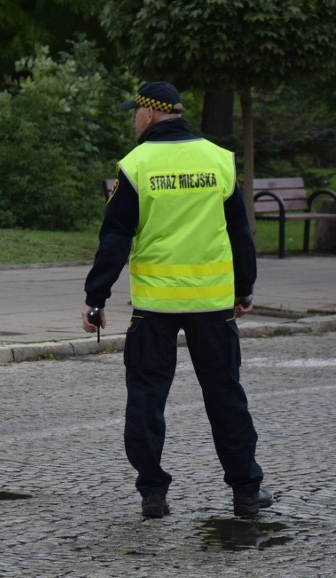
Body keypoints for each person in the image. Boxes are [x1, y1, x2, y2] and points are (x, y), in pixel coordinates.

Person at [81, 81, 272, 519]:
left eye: (135, 112)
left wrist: (96, 298)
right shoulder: (218, 161)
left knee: (147, 398)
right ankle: (246, 491)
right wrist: (244, 289)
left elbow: (115, 238)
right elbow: (240, 233)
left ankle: (153, 494)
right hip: (213, 306)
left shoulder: (136, 165)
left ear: (149, 114)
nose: (133, 119)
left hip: (154, 308)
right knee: (226, 396)